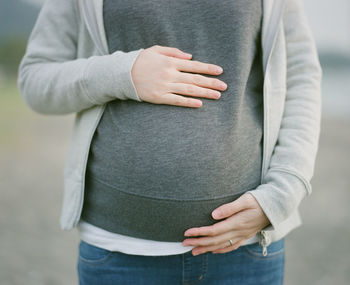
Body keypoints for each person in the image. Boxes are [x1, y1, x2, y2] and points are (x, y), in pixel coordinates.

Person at [18, 0, 322, 284]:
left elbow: (301, 78)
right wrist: (123, 72)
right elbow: (35, 79)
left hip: (245, 253)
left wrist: (283, 193)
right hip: (118, 253)